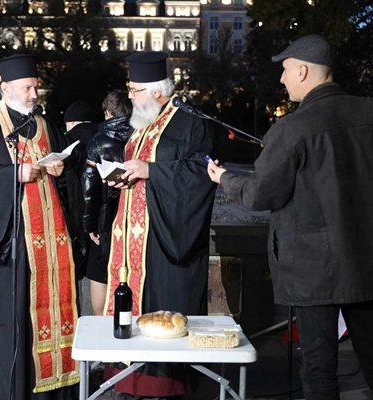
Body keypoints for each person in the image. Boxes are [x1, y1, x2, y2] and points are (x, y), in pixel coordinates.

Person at [207, 35, 373, 400]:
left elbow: (261, 194)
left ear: (303, 70)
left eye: (285, 70)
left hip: (314, 270)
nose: (282, 79)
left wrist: (225, 178)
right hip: (371, 260)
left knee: (319, 368)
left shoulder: (292, 129)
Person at [0, 54, 78, 400]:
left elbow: (62, 178)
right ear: (5, 87)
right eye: (26, 88)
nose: (33, 94)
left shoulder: (45, 124)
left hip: (50, 246)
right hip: (11, 245)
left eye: (35, 87)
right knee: (12, 324)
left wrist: (58, 170)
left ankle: (54, 390)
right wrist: (13, 175)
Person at [104, 51, 217, 398]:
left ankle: (163, 387)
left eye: (135, 90)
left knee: (162, 307)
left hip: (165, 239)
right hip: (129, 239)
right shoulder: (142, 125)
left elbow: (202, 173)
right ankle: (128, 383)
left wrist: (151, 171)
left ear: (155, 91)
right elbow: (137, 170)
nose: (131, 97)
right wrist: (124, 177)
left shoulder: (189, 122)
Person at [81, 89, 132, 315]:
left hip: (106, 216)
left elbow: (89, 188)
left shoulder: (99, 140)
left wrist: (89, 226)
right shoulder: (140, 135)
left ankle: (99, 323)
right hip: (133, 213)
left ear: (108, 113)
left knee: (99, 271)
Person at [60, 100, 100, 286]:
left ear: (72, 122)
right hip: (103, 213)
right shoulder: (104, 136)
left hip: (76, 213)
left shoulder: (67, 141)